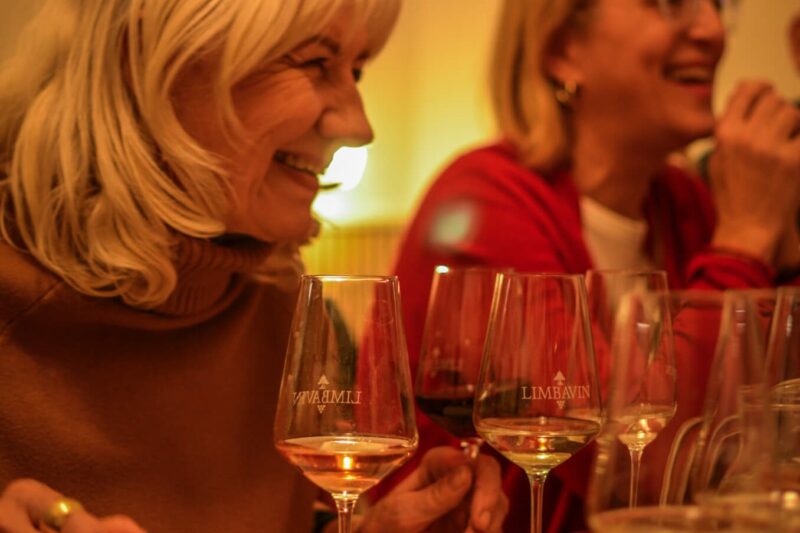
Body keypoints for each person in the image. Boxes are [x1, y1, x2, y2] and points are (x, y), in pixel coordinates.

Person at [0, 1, 509, 532]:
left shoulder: (286, 305)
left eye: (356, 71)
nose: (359, 127)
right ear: (150, 61)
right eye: (314, 63)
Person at [384, 0, 800, 531]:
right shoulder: (485, 200)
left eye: (719, 6)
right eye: (672, 3)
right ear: (563, 49)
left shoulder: (687, 202)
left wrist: (781, 248)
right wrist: (745, 241)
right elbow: (635, 462)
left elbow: (765, 448)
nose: (713, 30)